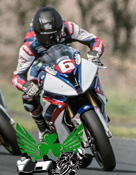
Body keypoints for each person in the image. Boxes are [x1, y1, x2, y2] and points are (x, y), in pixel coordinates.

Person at [12, 7, 105, 141]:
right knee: (28, 98)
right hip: (41, 68)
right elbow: (17, 76)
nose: (49, 39)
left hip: (67, 60)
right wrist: (27, 86)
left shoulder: (69, 27)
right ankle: (43, 129)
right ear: (36, 33)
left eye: (53, 34)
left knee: (93, 72)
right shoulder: (28, 47)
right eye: (43, 35)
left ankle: (99, 103)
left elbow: (95, 40)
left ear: (60, 28)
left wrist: (95, 54)